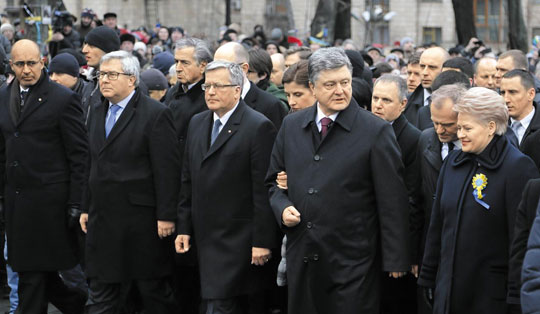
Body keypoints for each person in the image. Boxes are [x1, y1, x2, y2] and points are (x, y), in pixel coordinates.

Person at [266, 47, 411, 313]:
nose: (340, 90)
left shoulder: (375, 131)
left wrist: (396, 259)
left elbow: (393, 200)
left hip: (353, 262)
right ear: (312, 86)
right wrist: (282, 206)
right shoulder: (291, 126)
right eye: (330, 84)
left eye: (345, 82)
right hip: (304, 257)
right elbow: (273, 183)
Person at [418, 87, 539, 314]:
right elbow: (437, 225)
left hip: (490, 297)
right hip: (448, 292)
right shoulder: (453, 163)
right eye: (460, 127)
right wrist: (428, 276)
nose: (460, 134)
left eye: (468, 128)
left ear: (491, 127)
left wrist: (516, 296)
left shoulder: (518, 168)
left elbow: (521, 241)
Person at [176, 60, 279, 314]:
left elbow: (262, 189)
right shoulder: (198, 122)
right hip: (203, 238)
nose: (210, 92)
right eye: (207, 86)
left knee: (222, 305)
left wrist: (262, 241)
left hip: (237, 240)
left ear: (237, 89)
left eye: (218, 86)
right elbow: (187, 180)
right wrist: (183, 227)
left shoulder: (258, 126)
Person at [81, 50, 180, 313]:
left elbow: (167, 169)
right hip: (103, 217)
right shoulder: (96, 109)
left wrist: (167, 216)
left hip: (140, 221)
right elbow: (90, 161)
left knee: (151, 291)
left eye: (112, 75)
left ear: (132, 79)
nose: (104, 80)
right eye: (102, 74)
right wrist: (84, 206)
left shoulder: (155, 113)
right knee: (102, 291)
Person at [0, 39, 88, 314]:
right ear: (11, 65)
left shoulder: (63, 99)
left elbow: (79, 156)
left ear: (42, 62)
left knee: (33, 277)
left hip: (49, 205)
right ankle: (78, 306)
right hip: (16, 205)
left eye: (32, 63)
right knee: (38, 275)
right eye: (20, 64)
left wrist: (77, 202)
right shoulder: (3, 96)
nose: (27, 70)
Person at [164, 36, 212, 314]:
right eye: (176, 62)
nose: (178, 68)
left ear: (203, 65)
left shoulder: (207, 99)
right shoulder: (174, 93)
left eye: (184, 62)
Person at [371, 75, 421, 314]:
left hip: (394, 244)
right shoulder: (365, 129)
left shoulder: (413, 139)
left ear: (403, 104)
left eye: (386, 100)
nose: (378, 105)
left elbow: (411, 201)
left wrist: (403, 254)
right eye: (375, 98)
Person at [214, 42, 287, 130]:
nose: (216, 73)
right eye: (213, 67)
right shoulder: (210, 99)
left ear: (244, 68)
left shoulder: (270, 105)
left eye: (224, 68)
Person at [81, 26, 121, 117]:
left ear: (108, 50)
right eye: (85, 44)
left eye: (92, 45)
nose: (84, 50)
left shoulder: (123, 85)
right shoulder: (91, 83)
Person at [500, 70, 540, 160]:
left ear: (531, 94)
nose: (506, 99)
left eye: (512, 92)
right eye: (502, 93)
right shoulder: (496, 127)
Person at [405, 47, 449, 128]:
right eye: (422, 66)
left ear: (446, 69)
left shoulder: (459, 104)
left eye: (432, 67)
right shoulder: (406, 103)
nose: (425, 72)